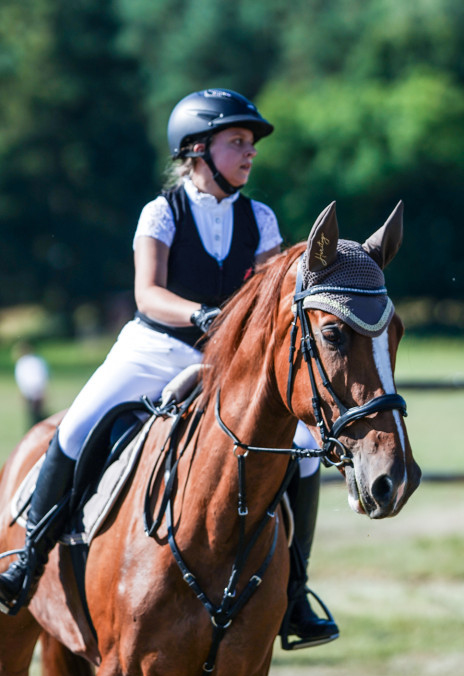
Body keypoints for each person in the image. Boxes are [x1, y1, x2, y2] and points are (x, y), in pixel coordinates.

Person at [0, 88, 338, 646]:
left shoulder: (261, 216)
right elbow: (148, 294)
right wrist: (204, 313)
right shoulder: (161, 212)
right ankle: (29, 559)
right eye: (237, 142)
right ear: (197, 148)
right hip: (154, 349)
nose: (249, 153)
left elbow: (266, 296)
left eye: (250, 144)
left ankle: (295, 594)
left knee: (302, 452)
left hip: (226, 363)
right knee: (76, 427)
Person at [14, 342, 49, 429]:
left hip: (34, 391)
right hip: (32, 392)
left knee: (36, 416)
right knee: (34, 415)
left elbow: (37, 378)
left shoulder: (29, 362)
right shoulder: (33, 361)